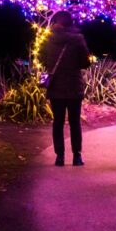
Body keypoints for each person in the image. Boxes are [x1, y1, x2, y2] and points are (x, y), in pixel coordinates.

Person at [40, 10, 91, 167]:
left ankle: (60, 157)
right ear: (70, 22)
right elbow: (85, 63)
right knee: (75, 122)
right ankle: (77, 156)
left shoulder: (48, 39)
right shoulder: (77, 39)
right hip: (74, 86)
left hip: (56, 86)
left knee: (58, 122)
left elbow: (41, 59)